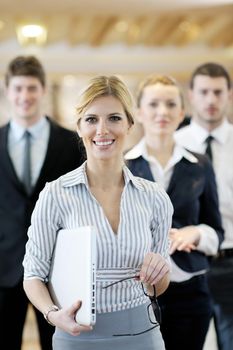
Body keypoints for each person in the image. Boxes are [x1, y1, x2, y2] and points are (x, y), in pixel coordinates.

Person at [22, 75, 173, 350]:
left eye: (114, 118)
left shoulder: (155, 198)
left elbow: (158, 287)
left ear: (129, 123)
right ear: (79, 127)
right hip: (76, 336)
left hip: (143, 335)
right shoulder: (55, 195)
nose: (102, 130)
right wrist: (53, 315)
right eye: (91, 119)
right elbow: (33, 275)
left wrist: (159, 271)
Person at [125, 74, 224, 350]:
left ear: (181, 112)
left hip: (191, 291)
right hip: (138, 292)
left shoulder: (199, 164)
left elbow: (216, 230)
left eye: (170, 104)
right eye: (154, 104)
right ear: (139, 113)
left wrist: (196, 232)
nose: (162, 112)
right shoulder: (124, 166)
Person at [0, 55, 85, 350]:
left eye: (32, 88)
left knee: (59, 345)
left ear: (43, 90)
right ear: (8, 90)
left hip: (57, 268)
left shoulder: (71, 143)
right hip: (3, 268)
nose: (25, 96)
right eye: (19, 88)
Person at [175, 62, 233, 350]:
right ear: (192, 95)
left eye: (218, 92)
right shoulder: (172, 144)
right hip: (185, 263)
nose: (211, 100)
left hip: (230, 261)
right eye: (204, 92)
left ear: (229, 95)